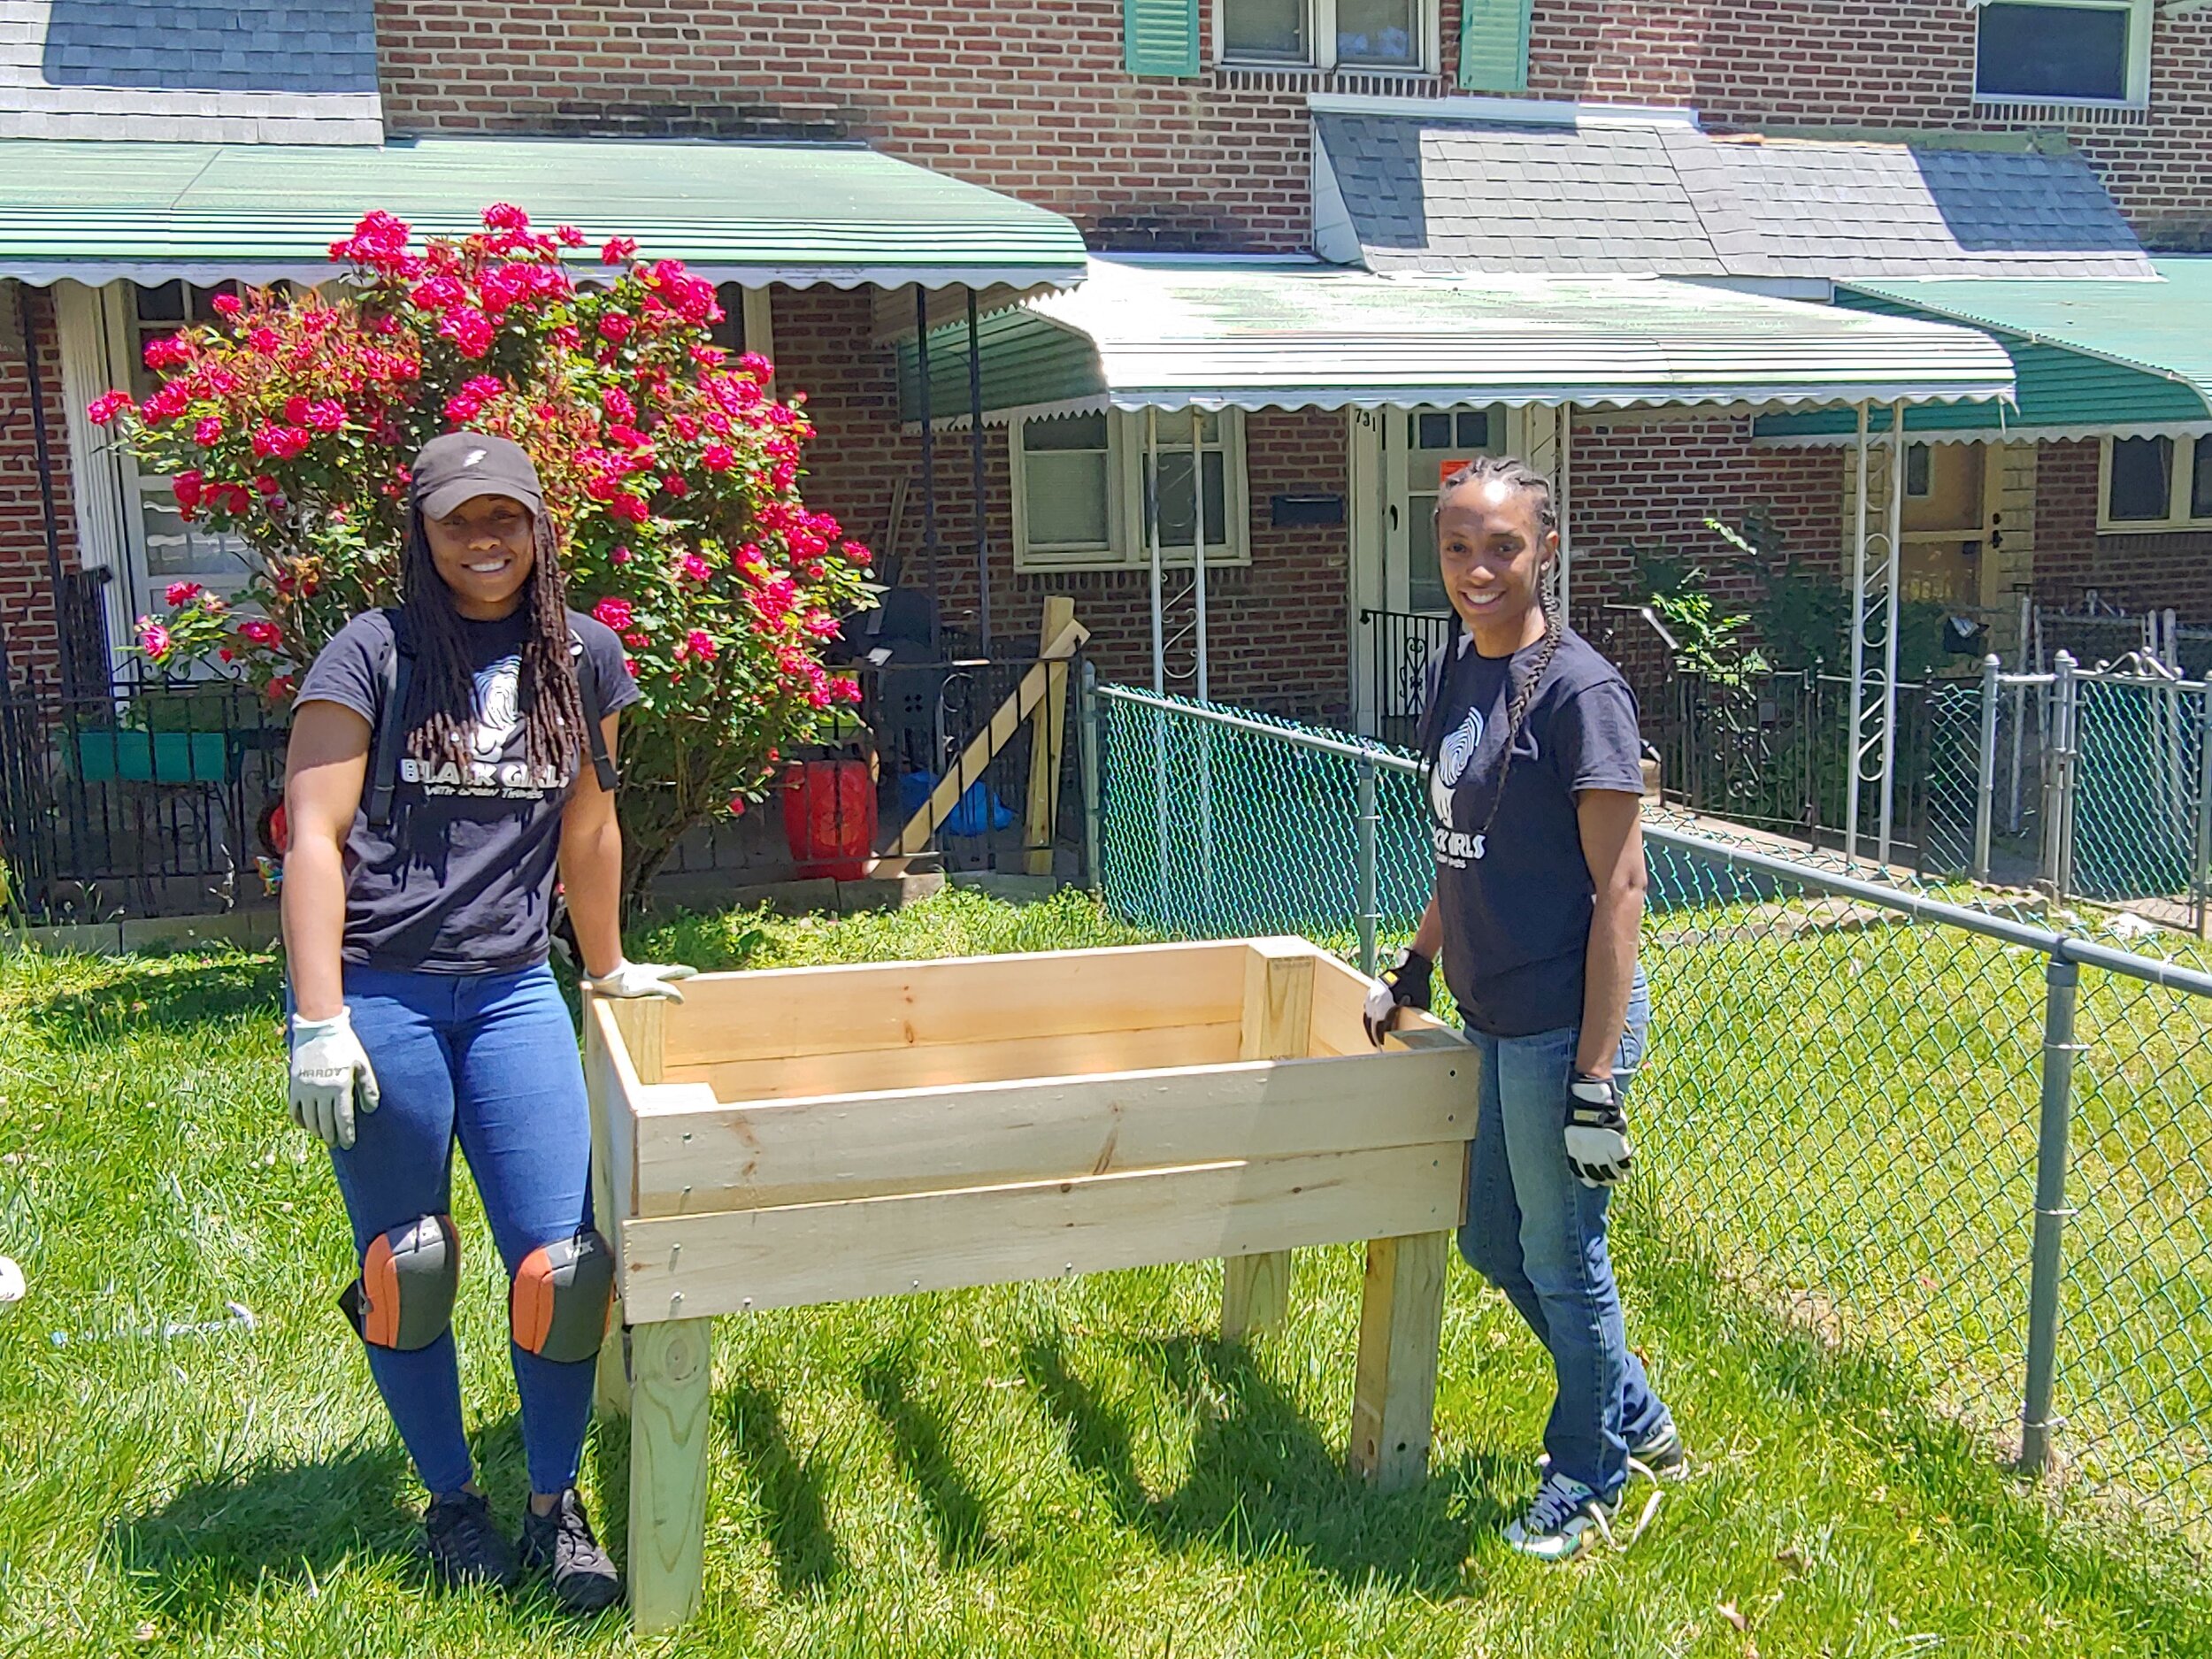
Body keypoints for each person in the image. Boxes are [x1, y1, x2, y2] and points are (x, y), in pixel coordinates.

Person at [281, 434, 695, 1610]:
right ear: (423, 531)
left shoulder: (584, 654)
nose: (486, 540)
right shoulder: (375, 651)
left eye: (506, 516)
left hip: (514, 987)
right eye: (461, 520)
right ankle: (453, 1501)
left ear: (539, 525)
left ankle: (554, 1502)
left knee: (565, 1268)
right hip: (381, 989)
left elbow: (590, 827)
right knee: (408, 1265)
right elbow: (311, 835)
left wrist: (603, 966)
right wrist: (320, 1016)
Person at [1363, 455, 1680, 1562]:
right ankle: (1632, 1411)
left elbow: (1622, 888)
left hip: (1562, 1023)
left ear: (1546, 549)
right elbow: (1463, 848)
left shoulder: (1582, 693)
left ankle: (1588, 1475)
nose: (1476, 568)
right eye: (1457, 546)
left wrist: (1596, 1079)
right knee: (1493, 1239)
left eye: (1502, 546)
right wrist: (1413, 967)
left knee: (1562, 1255)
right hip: (1491, 1011)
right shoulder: (1459, 668)